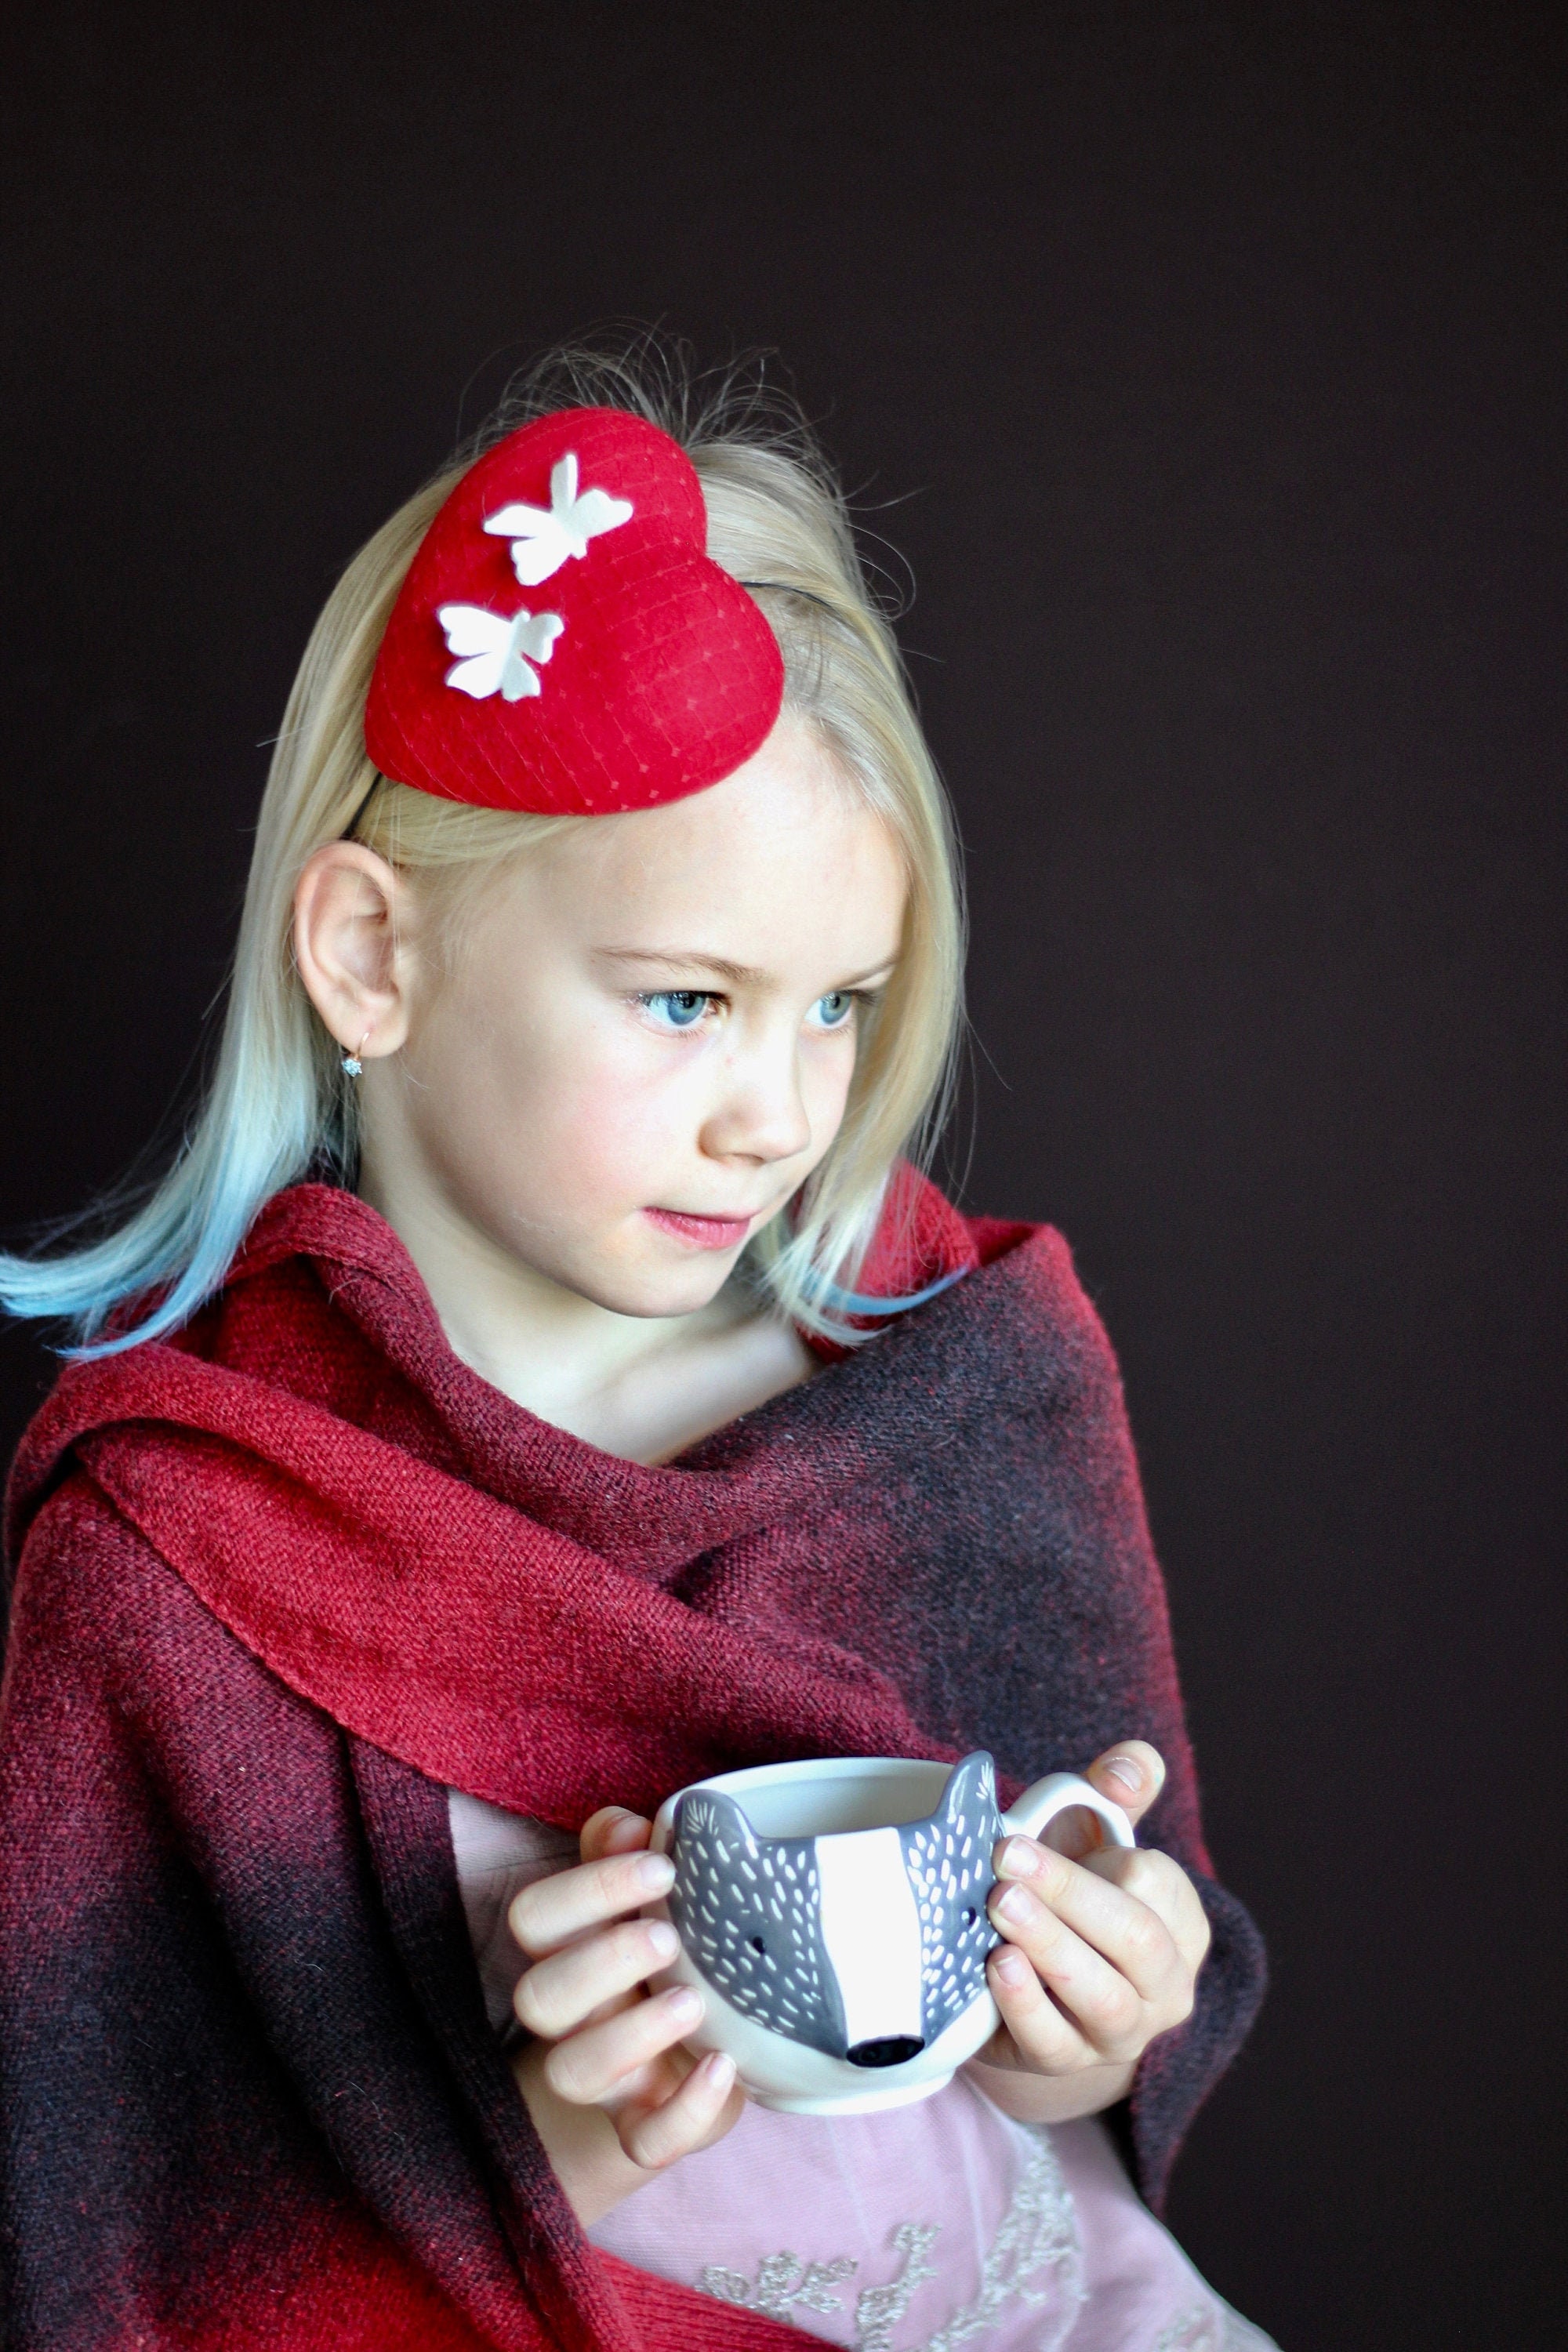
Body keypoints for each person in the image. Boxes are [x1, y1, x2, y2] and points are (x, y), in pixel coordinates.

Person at [0, 344, 1274, 2350]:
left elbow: (1046, 2103)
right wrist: (547, 2141)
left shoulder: (959, 1382)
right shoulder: (180, 1531)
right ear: (372, 953)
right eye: (686, 1002)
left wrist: (1081, 2019)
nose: (781, 1113)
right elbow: (147, 2249)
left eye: (839, 1007)